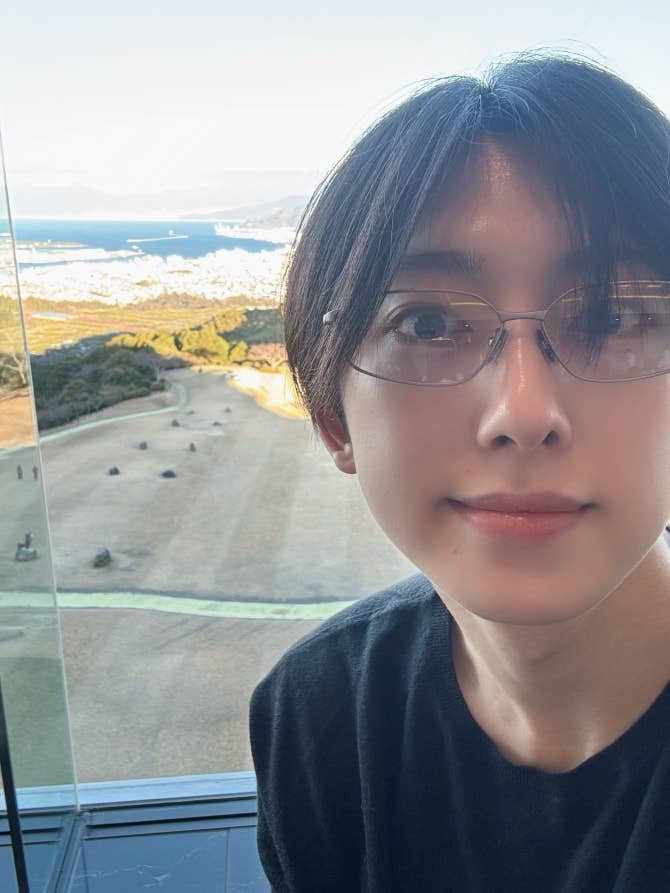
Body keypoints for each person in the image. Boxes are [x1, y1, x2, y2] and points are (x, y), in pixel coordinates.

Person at [249, 52, 670, 892]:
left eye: (614, 315)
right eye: (429, 323)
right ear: (334, 417)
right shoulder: (319, 713)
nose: (523, 411)